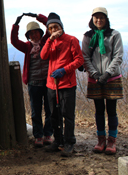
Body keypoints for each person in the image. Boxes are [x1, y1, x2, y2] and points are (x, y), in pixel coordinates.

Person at [40, 12, 84, 157]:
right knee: (53, 114)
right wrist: (49, 41)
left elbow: (79, 60)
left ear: (61, 27)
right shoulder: (50, 42)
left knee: (67, 114)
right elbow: (43, 56)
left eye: (56, 27)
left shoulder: (71, 40)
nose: (53, 30)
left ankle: (69, 142)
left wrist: (64, 70)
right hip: (51, 85)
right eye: (50, 28)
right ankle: (57, 141)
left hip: (67, 84)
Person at [82, 7, 124, 155]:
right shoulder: (88, 36)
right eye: (96, 17)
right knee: (99, 110)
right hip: (95, 79)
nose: (99, 20)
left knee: (111, 110)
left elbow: (118, 56)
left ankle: (112, 140)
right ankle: (101, 140)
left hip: (111, 78)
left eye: (101, 17)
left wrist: (107, 73)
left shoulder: (114, 35)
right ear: (92, 19)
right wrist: (94, 74)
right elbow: (85, 56)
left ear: (106, 19)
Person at [10, 12, 53, 147]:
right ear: (28, 36)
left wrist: (37, 16)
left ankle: (48, 134)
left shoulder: (47, 41)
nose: (34, 35)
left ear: (40, 33)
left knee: (50, 110)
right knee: (36, 111)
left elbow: (49, 25)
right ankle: (38, 136)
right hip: (34, 83)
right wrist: (16, 24)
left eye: (36, 33)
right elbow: (14, 41)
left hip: (48, 82)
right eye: (31, 33)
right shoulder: (27, 47)